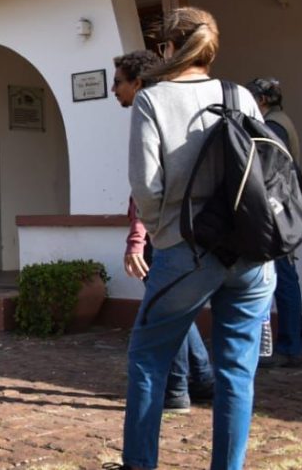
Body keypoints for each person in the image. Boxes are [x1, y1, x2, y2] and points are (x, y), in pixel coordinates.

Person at [115, 7, 275, 470]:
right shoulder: (240, 94)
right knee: (236, 373)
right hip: (247, 249)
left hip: (186, 250)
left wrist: (162, 237)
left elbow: (146, 187)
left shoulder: (152, 99)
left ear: (167, 46)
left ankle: (139, 464)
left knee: (148, 359)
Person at [115, 51, 215, 412]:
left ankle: (175, 390)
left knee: (161, 317)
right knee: (178, 310)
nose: (114, 90)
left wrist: (140, 238)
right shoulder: (179, 105)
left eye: (119, 82)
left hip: (167, 233)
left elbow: (148, 187)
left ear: (138, 83)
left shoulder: (151, 105)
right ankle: (202, 378)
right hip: (194, 230)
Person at [247, 78, 302, 369]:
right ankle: (292, 344)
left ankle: (290, 346)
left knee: (283, 277)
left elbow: (281, 166)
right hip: (284, 207)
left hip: (277, 209)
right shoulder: (279, 121)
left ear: (262, 99)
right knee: (284, 275)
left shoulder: (273, 126)